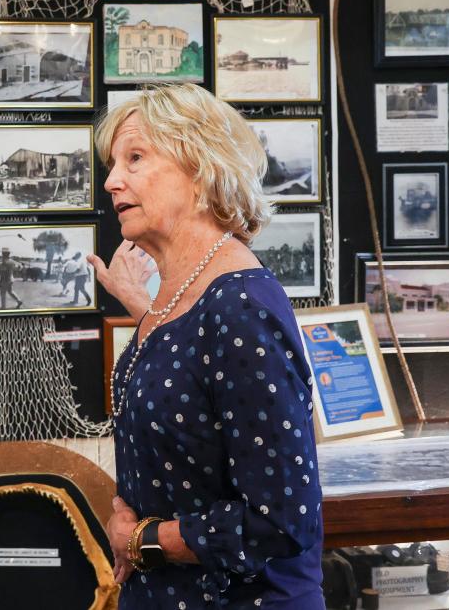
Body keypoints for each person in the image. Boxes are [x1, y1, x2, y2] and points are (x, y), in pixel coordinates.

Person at [87, 83, 323, 607]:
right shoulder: (181, 295)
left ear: (201, 170)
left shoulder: (241, 305)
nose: (111, 180)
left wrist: (142, 540)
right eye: (113, 163)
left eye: (136, 157)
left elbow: (281, 519)